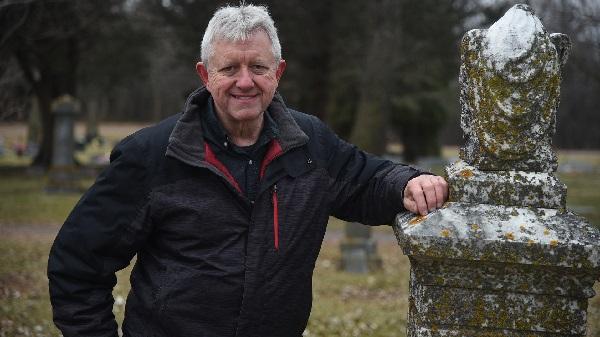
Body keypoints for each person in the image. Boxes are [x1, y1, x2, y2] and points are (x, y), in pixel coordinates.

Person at [48, 4, 448, 337]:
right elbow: (77, 263)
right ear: (205, 76)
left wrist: (409, 183)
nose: (245, 82)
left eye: (258, 66)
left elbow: (365, 180)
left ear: (279, 72)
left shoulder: (308, 144)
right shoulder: (152, 155)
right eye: (229, 69)